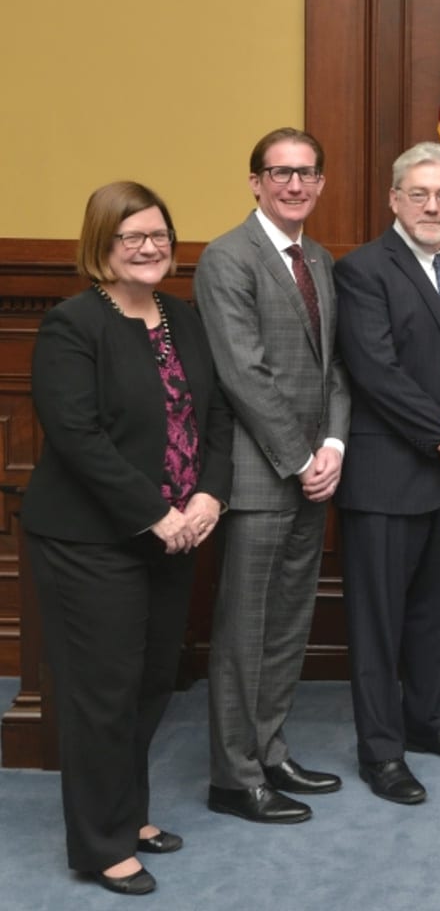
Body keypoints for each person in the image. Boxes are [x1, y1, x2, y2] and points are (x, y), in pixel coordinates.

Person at [22, 182, 232, 896]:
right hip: (91, 540)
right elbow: (77, 438)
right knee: (102, 694)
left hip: (173, 535)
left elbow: (216, 417)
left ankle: (128, 813)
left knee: (148, 683)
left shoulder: (183, 318)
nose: (149, 248)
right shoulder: (72, 325)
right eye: (130, 237)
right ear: (101, 247)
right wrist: (155, 511)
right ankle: (100, 842)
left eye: (158, 236)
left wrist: (209, 493)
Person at [333, 142, 440, 806]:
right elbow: (377, 374)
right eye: (418, 194)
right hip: (387, 476)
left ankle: (432, 722)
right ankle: (382, 752)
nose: (432, 206)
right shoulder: (363, 269)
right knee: (378, 624)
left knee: (438, 615)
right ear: (394, 199)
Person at [195, 127, 350, 824]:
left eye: (307, 173)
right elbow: (243, 374)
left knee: (288, 625)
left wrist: (334, 449)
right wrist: (298, 457)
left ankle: (268, 750)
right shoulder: (228, 258)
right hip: (261, 480)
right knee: (243, 632)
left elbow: (334, 370)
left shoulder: (319, 258)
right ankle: (232, 776)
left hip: (315, 473)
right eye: (280, 172)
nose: (294, 184)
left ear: (320, 183)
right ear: (254, 181)